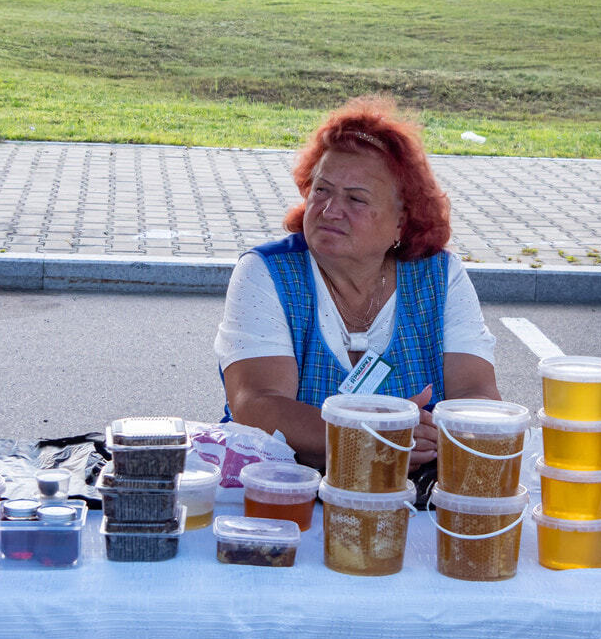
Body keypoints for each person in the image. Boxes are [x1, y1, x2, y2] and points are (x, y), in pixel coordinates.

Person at [214, 97, 500, 472]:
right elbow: (257, 405)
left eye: (356, 199)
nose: (331, 210)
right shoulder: (266, 271)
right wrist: (371, 439)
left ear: (401, 221)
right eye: (322, 190)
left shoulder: (440, 277)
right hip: (281, 492)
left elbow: (476, 396)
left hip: (414, 497)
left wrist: (443, 438)